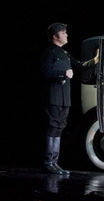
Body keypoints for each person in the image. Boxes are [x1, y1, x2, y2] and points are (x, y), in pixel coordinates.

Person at [41, 23, 99, 174]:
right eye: (64, 33)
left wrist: (96, 60)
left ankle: (55, 162)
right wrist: (64, 73)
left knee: (59, 128)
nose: (67, 35)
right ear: (55, 36)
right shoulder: (50, 52)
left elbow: (79, 66)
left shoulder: (65, 53)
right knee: (52, 127)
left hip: (64, 99)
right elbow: (46, 71)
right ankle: (49, 162)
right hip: (53, 98)